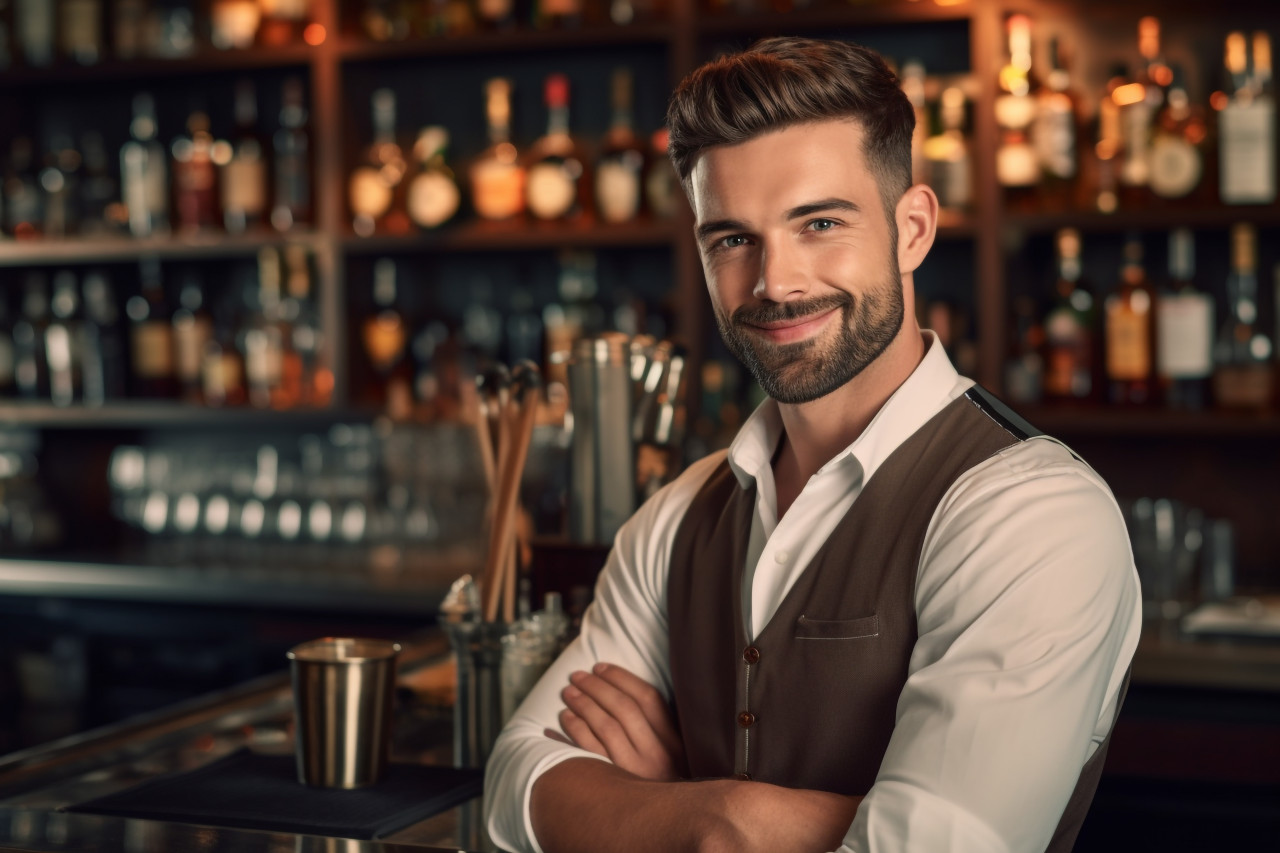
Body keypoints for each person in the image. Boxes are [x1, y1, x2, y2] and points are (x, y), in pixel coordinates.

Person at [484, 36, 1141, 853]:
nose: (775, 281)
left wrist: (689, 808)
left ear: (912, 229)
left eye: (819, 222)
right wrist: (728, 818)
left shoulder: (1031, 512)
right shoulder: (680, 514)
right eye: (731, 239)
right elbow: (514, 789)